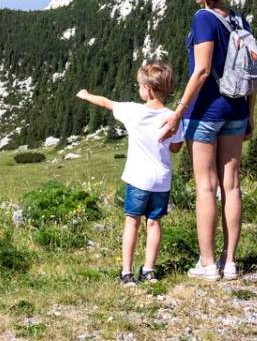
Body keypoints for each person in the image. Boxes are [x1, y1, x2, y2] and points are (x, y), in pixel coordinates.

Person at [157, 0, 257, 281]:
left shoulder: (203, 18)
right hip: (236, 111)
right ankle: (230, 263)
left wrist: (178, 111)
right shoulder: (239, 20)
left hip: (205, 113)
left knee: (205, 186)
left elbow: (201, 71)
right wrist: (249, 114)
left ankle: (207, 263)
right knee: (232, 185)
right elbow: (253, 73)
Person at [76, 63, 184, 286]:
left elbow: (106, 102)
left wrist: (86, 95)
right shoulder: (173, 117)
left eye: (139, 86)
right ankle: (149, 270)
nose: (139, 90)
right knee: (154, 223)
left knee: (132, 223)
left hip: (137, 178)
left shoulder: (133, 111)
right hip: (161, 180)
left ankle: (126, 273)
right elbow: (175, 148)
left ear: (148, 89)